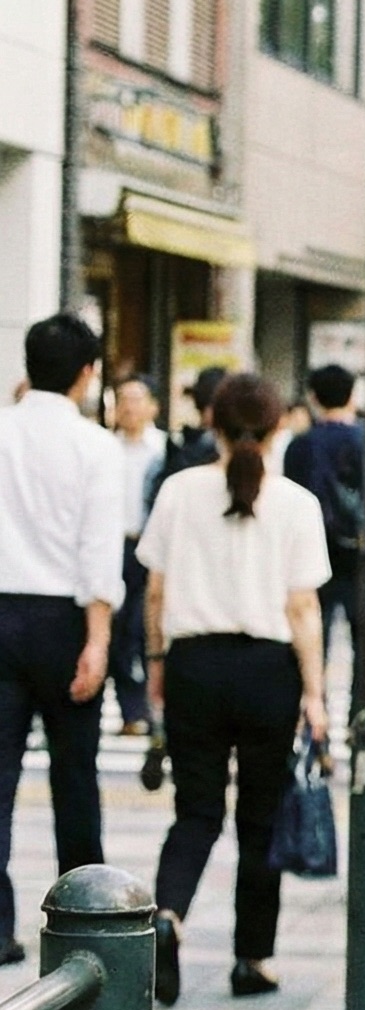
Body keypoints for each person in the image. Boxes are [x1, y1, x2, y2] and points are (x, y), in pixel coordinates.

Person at [139, 373, 331, 1004]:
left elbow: (157, 593)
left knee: (195, 812)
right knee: (259, 818)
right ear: (278, 428)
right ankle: (253, 958)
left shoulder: (178, 492)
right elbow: (303, 607)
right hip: (268, 671)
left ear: (211, 425)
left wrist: (159, 663)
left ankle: (166, 919)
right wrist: (315, 693)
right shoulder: (297, 504)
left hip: (194, 663)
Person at [0, 314, 124, 966]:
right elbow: (98, 551)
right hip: (65, 619)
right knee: (75, 773)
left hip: (0, 612)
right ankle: (82, 914)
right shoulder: (94, 446)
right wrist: (98, 638)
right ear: (87, 373)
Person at [281, 364, 365, 657]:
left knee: (314, 621)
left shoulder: (299, 446)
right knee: (362, 628)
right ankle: (361, 699)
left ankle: (316, 695)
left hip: (311, 542)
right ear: (352, 395)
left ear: (314, 398)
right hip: (358, 545)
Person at [107, 374, 172, 734]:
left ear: (153, 407)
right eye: (122, 399)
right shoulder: (103, 447)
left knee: (145, 626)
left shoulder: (164, 449)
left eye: (136, 399)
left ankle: (151, 705)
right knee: (116, 631)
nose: (129, 407)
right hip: (113, 546)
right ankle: (132, 711)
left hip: (150, 548)